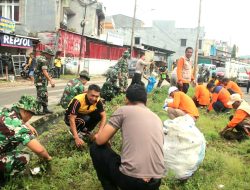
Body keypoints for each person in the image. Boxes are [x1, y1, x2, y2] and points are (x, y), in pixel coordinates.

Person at [90, 84, 165, 190]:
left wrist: (96, 137)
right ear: (146, 101)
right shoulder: (156, 118)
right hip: (155, 181)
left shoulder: (123, 110)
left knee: (95, 148)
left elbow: (100, 141)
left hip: (133, 181)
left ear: (126, 99)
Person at [0, 95, 52, 183]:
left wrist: (27, 124)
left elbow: (15, 120)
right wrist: (48, 158)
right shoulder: (19, 127)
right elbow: (40, 150)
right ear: (25, 112)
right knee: (24, 157)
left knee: (11, 144)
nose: (30, 118)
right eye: (31, 115)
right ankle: (4, 181)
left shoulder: (4, 111)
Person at [34, 48, 55, 114]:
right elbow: (44, 71)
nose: (51, 57)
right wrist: (51, 80)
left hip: (41, 80)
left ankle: (45, 109)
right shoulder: (43, 60)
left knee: (45, 94)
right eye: (50, 55)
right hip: (40, 81)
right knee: (41, 95)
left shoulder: (40, 58)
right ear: (46, 54)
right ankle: (37, 110)